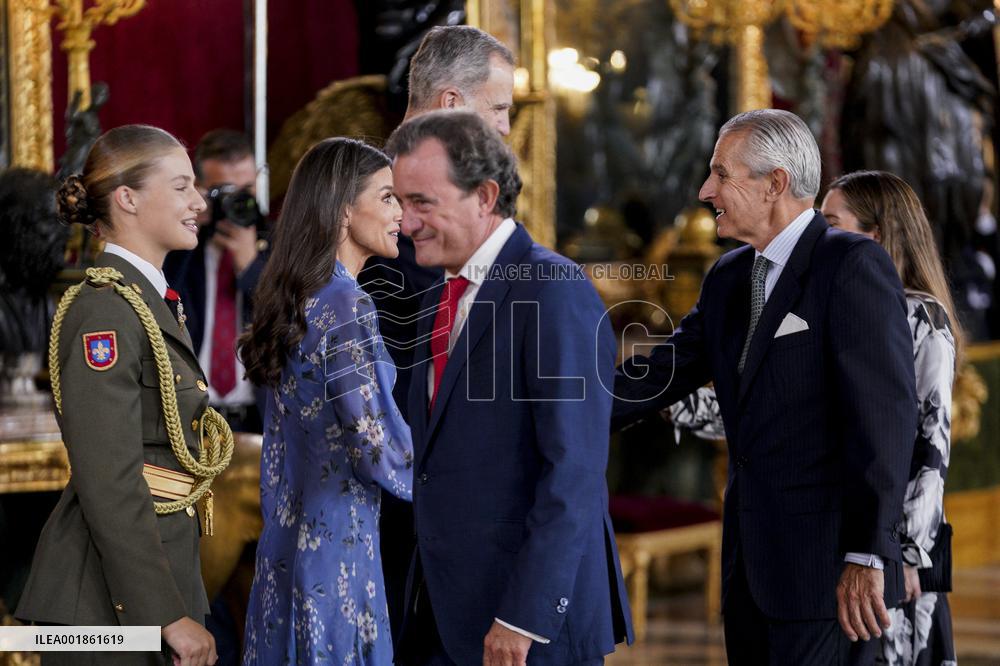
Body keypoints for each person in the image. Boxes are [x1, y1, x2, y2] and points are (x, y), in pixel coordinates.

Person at [612, 109, 917, 665]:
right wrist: (554, 403)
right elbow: (665, 370)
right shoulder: (729, 276)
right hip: (750, 571)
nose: (707, 191)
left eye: (721, 175)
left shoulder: (850, 264)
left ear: (775, 182)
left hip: (828, 575)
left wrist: (868, 555)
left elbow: (886, 419)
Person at [387, 110, 632, 666]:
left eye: (422, 202)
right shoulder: (435, 301)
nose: (406, 223)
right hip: (444, 613)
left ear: (485, 196)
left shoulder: (553, 289)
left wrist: (525, 614)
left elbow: (573, 471)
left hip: (525, 627)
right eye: (400, 203)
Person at [17, 124, 234, 666]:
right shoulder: (105, 310)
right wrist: (165, 614)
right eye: (181, 186)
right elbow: (109, 478)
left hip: (148, 579)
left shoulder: (148, 300)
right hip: (103, 607)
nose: (199, 201)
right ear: (128, 198)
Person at [365, 23, 517, 641]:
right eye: (499, 108)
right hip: (392, 488)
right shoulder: (364, 189)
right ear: (453, 103)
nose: (506, 126)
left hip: (462, 496)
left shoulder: (473, 188)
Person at [239, 138, 414, 665]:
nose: (400, 213)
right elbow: (376, 444)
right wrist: (447, 475)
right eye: (386, 198)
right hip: (339, 549)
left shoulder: (300, 297)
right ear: (342, 209)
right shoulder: (347, 305)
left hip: (285, 544)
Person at [822, 171, 959, 666]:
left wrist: (905, 556)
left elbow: (931, 441)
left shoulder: (922, 316)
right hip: (847, 535)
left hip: (895, 557)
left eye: (831, 222)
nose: (819, 235)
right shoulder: (839, 306)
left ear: (875, 235)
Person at [164, 129, 266, 433]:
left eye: (246, 190)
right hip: (193, 416)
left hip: (258, 416)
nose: (238, 202)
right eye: (225, 192)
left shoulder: (278, 247)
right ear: (201, 189)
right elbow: (162, 310)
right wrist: (191, 221)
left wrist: (250, 268)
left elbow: (288, 319)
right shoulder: (180, 251)